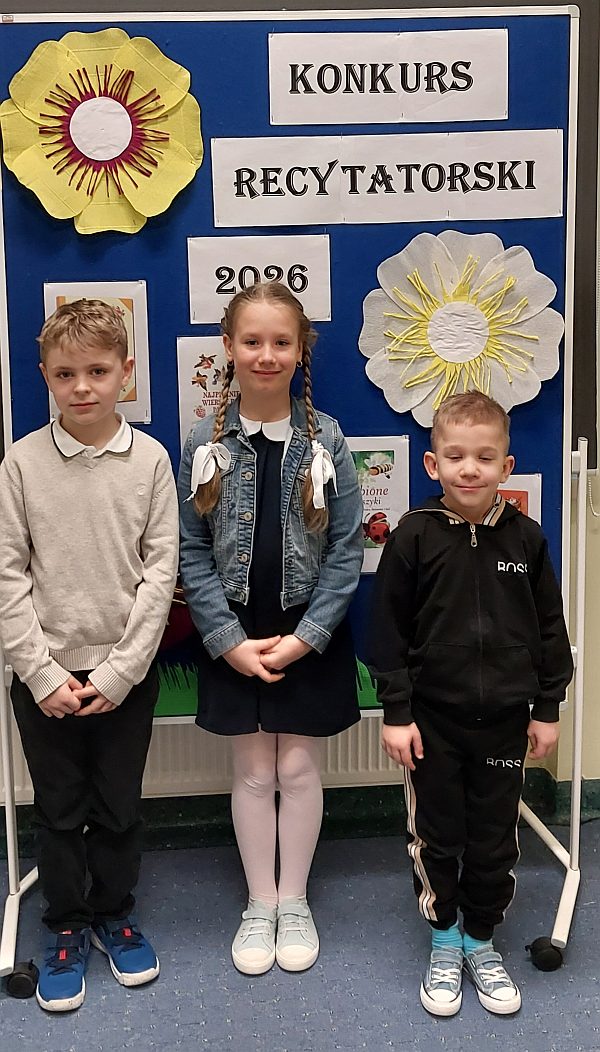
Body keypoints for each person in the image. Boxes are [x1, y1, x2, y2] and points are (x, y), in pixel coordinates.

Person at [178, 280, 363, 975]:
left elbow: (345, 550)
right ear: (228, 347)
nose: (266, 354)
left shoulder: (327, 440)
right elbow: (191, 551)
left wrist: (307, 636)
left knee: (297, 766)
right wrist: (225, 641)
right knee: (256, 771)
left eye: (281, 342)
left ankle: (295, 900)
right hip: (234, 628)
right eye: (251, 341)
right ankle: (260, 903)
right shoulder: (203, 441)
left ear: (300, 350)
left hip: (306, 627)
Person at [369, 391, 573, 1018]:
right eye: (455, 456)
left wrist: (547, 707)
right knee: (437, 835)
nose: (469, 469)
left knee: (494, 838)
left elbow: (549, 628)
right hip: (432, 723)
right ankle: (444, 937)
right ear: (433, 465)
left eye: (484, 458)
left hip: (506, 722)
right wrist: (397, 713)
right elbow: (388, 632)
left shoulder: (527, 539)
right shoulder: (413, 536)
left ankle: (481, 940)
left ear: (505, 466)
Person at [0, 300, 178, 1011]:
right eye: (65, 373)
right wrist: (41, 672)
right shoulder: (21, 463)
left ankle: (114, 913)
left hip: (124, 675)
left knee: (118, 804)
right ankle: (66, 923)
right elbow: (9, 575)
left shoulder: (152, 461)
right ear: (44, 374)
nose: (82, 387)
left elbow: (161, 574)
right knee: (59, 806)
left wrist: (121, 670)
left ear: (125, 373)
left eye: (98, 372)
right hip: (44, 677)